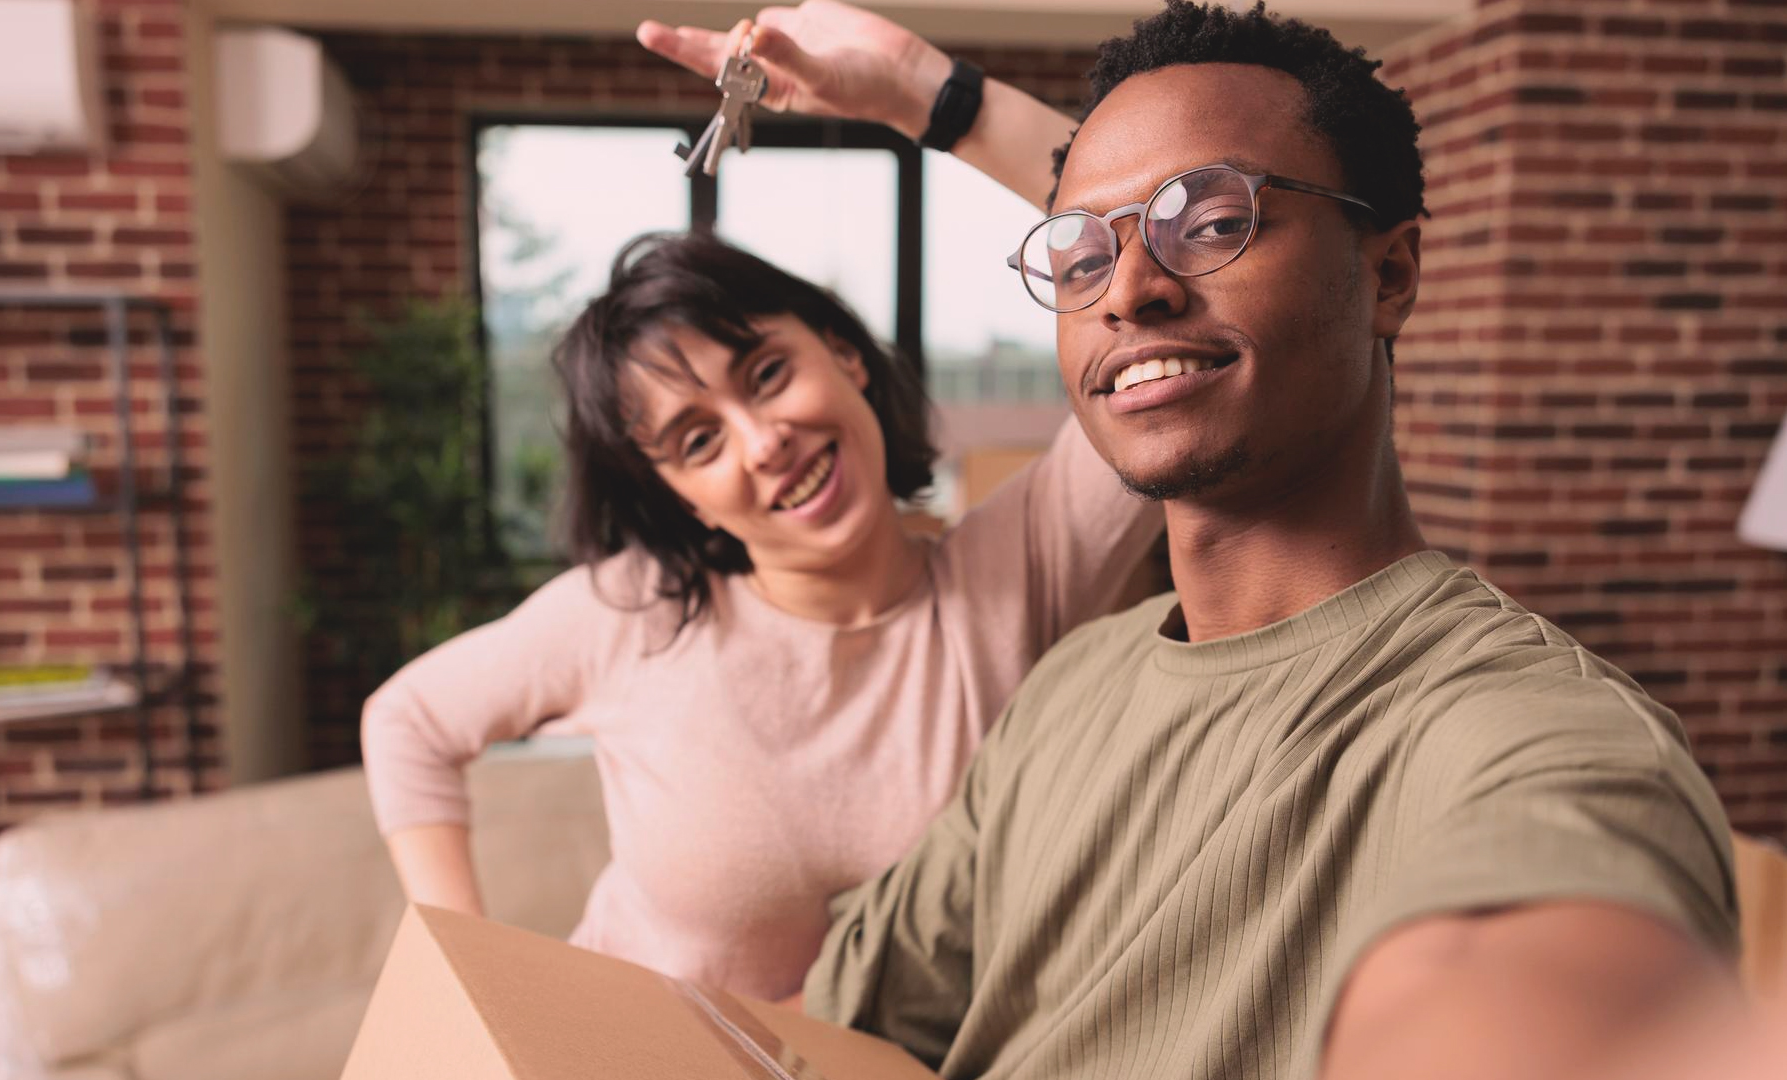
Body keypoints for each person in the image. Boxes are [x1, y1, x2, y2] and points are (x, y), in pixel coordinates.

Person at [643, 2, 1740, 1077]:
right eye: (1079, 260)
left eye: (1213, 222)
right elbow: (835, 1015)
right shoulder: (1072, 686)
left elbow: (1528, 991)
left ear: (1390, 275)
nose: (1128, 290)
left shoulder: (1529, 731)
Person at [360, 232, 1166, 1001]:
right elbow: (409, 721)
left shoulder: (1021, 561)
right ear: (679, 494)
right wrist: (467, 969)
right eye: (700, 441)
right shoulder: (633, 610)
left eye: (768, 374)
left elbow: (1142, 242)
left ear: (843, 354)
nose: (761, 442)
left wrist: (936, 98)